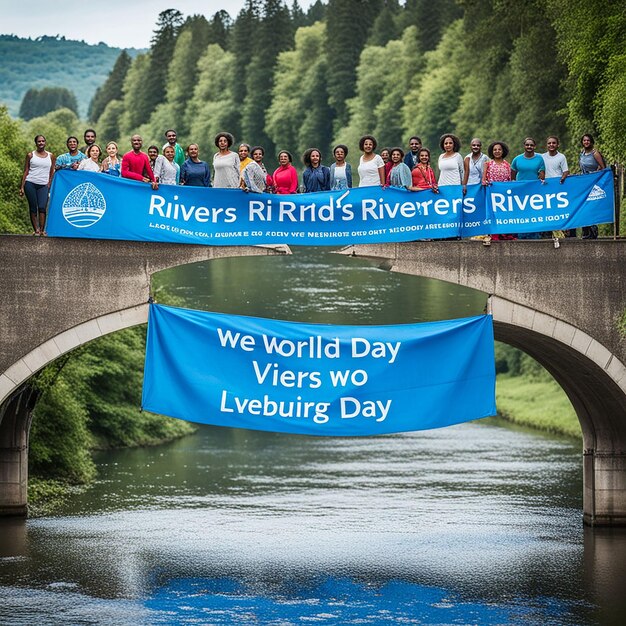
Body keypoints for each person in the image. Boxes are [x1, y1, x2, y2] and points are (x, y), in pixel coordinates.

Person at [19, 134, 55, 236]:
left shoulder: (51, 156)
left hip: (43, 185)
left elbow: (52, 171)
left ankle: (43, 230)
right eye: (39, 141)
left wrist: (49, 183)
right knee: (33, 207)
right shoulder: (30, 155)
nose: (41, 143)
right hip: (30, 183)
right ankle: (36, 230)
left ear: (45, 142)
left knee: (42, 207)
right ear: (36, 143)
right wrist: (22, 187)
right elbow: (26, 171)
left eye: (43, 141)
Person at [511, 137, 545, 239]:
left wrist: (541, 181)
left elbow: (542, 175)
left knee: (533, 213)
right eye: (527, 145)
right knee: (521, 212)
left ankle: (535, 235)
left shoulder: (539, 158)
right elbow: (512, 176)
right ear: (524, 146)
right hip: (520, 191)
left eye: (531, 145)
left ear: (534, 146)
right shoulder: (517, 159)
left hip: (534, 191)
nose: (529, 147)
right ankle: (520, 234)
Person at [482, 142, 515, 241]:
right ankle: (494, 234)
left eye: (499, 149)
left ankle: (505, 233)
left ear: (503, 151)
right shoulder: (487, 164)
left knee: (504, 214)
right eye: (495, 150)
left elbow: (510, 181)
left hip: (504, 195)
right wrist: (486, 183)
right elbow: (483, 180)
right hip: (491, 194)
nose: (497, 151)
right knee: (493, 214)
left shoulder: (507, 165)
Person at [579, 134, 606, 239]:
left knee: (591, 206)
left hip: (593, 183)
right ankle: (585, 230)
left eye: (588, 140)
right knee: (583, 207)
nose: (586, 142)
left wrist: (594, 175)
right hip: (584, 184)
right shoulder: (582, 153)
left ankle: (593, 231)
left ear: (591, 141)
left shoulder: (595, 153)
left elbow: (602, 168)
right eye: (584, 140)